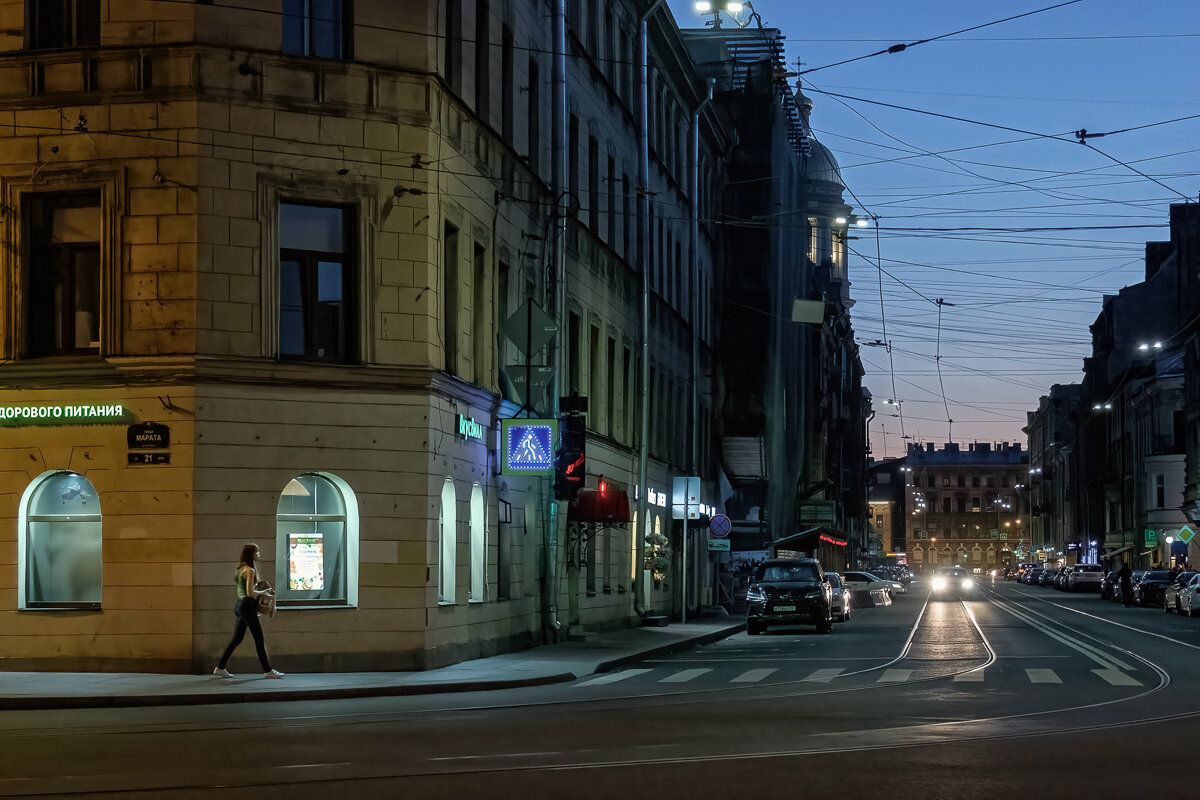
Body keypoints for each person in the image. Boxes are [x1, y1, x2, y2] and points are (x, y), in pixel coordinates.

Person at [214, 543, 285, 679]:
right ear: (251, 554)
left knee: (237, 639)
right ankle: (268, 671)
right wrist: (264, 592)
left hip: (240, 606)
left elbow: (244, 592)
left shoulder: (240, 569)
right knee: (259, 639)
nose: (259, 555)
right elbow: (250, 593)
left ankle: (220, 668)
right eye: (257, 552)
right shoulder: (250, 570)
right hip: (247, 606)